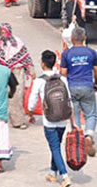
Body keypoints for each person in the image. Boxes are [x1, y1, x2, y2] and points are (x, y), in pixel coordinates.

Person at [28, 50, 73, 187]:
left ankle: (65, 176)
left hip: (49, 119)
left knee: (54, 147)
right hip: (63, 119)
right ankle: (53, 173)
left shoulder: (39, 81)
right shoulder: (62, 79)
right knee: (56, 146)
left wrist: (30, 113)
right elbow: (69, 99)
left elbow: (32, 101)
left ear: (42, 63)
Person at [60, 26, 97, 155]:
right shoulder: (91, 52)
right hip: (87, 85)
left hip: (72, 86)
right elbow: (96, 69)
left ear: (72, 39)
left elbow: (63, 72)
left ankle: (79, 136)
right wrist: (96, 82)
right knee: (91, 113)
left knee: (74, 113)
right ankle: (89, 135)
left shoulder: (67, 54)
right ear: (84, 38)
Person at [0, 23, 35, 129]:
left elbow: (26, 57)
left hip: (17, 71)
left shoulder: (18, 43)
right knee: (5, 96)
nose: (2, 34)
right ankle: (4, 119)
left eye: (4, 32)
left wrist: (31, 71)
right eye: (1, 32)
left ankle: (18, 121)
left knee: (17, 96)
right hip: (3, 73)